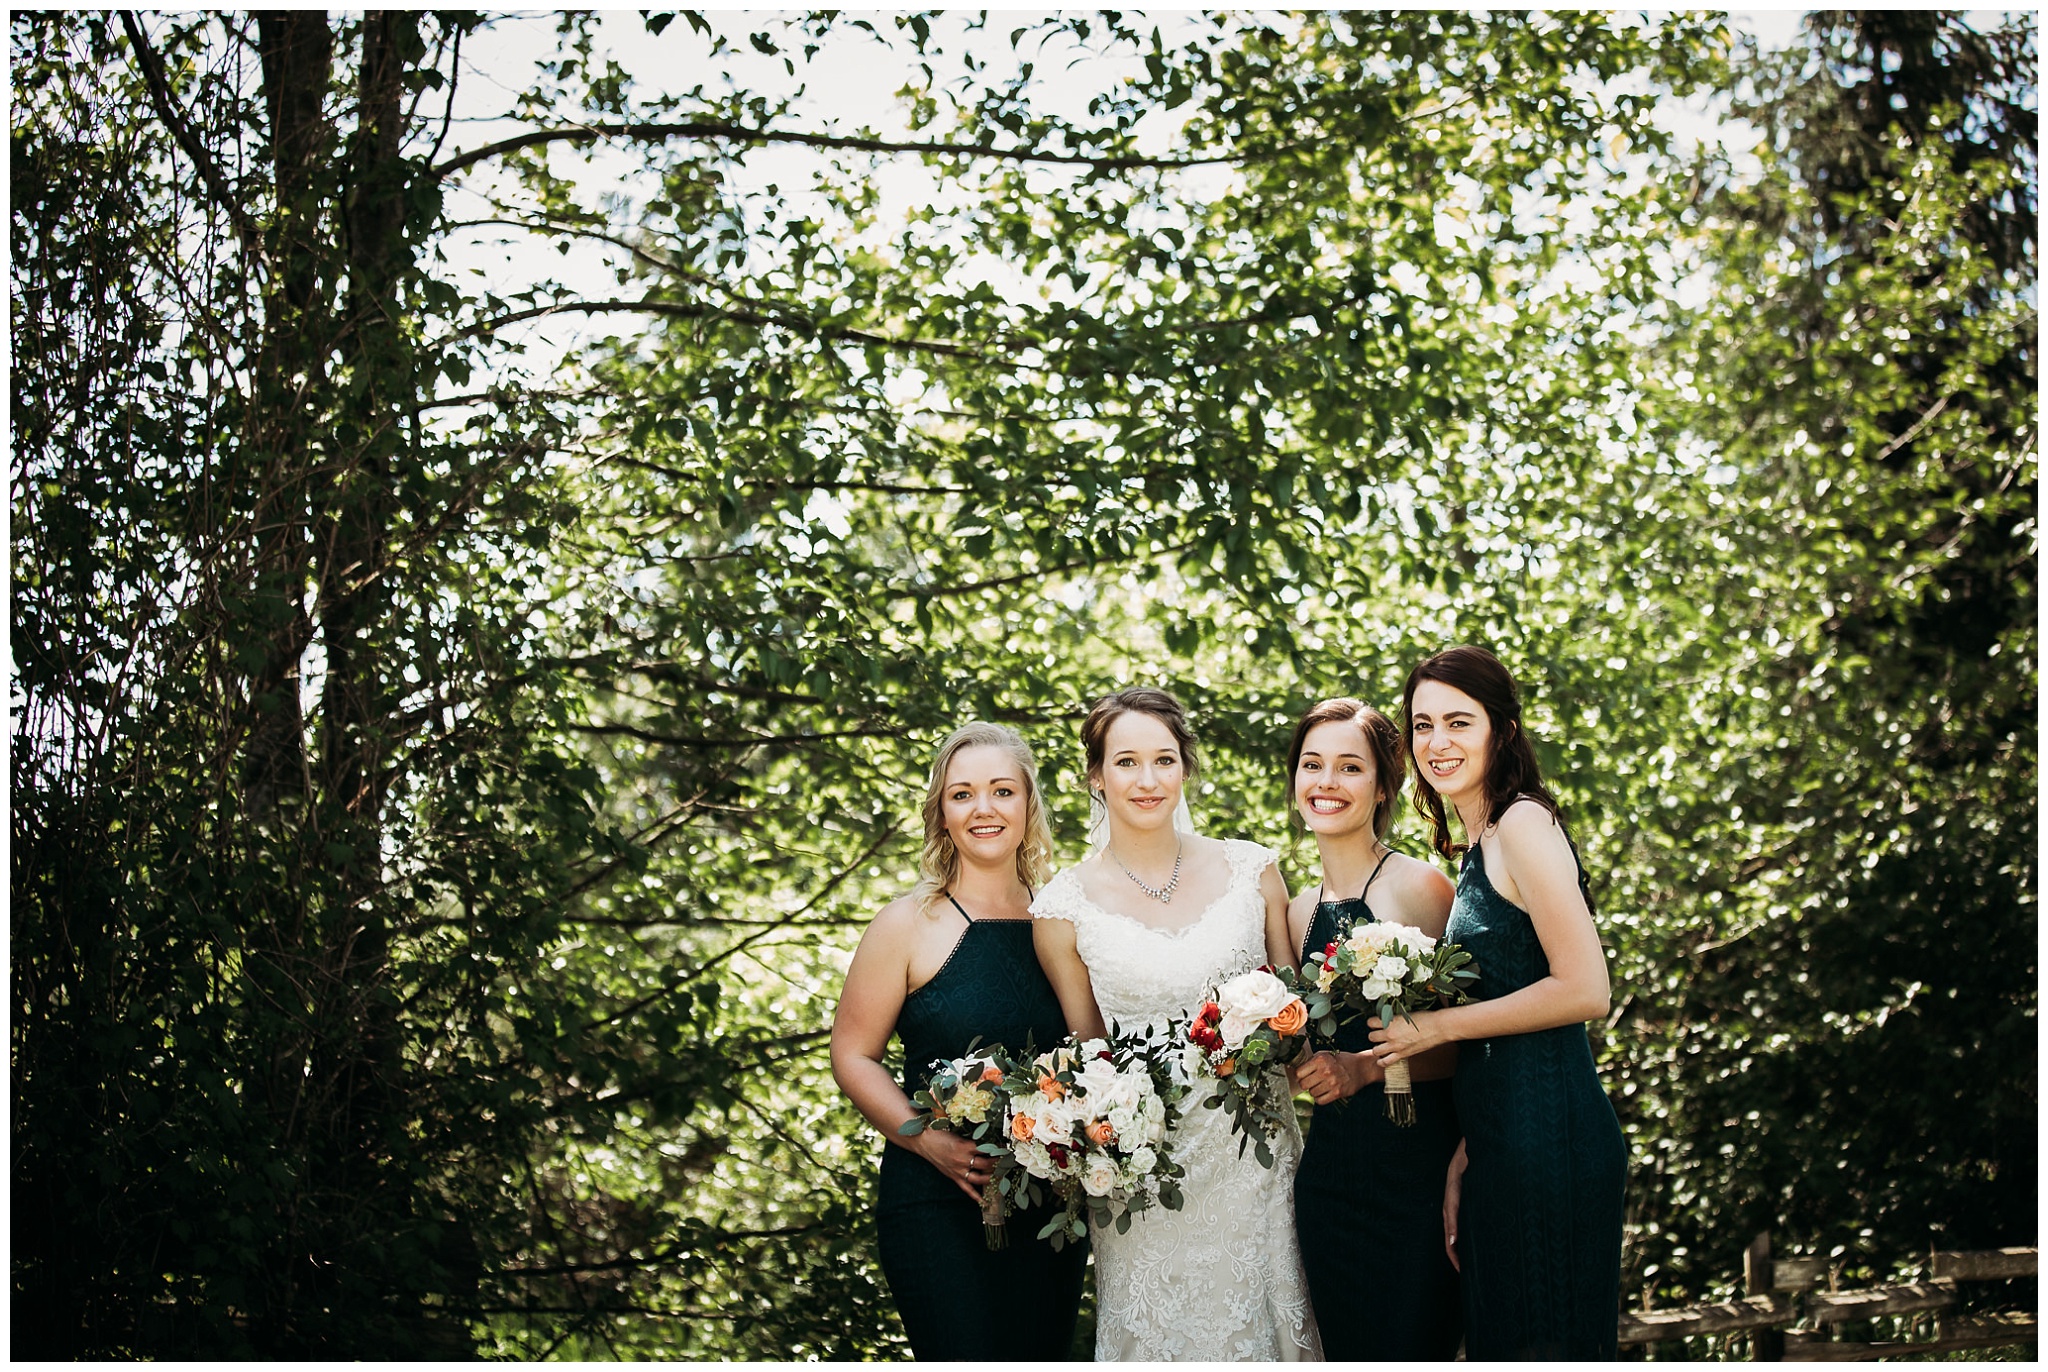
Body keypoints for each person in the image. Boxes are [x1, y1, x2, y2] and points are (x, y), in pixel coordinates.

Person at [1031, 687, 1321, 1361]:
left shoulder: (1253, 869)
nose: (1148, 779)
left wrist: (1277, 1035)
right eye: (1126, 762)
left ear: (1185, 768)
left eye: (1164, 759)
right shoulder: (1061, 906)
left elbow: (1297, 1013)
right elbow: (1087, 1050)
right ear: (1096, 776)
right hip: (1143, 1172)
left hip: (1256, 1152)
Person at [1370, 646, 1627, 1359]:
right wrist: (1467, 1151)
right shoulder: (1477, 842)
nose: (1437, 743)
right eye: (1423, 726)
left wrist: (1435, 1027)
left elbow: (1585, 989)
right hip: (1500, 1143)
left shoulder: (1523, 824)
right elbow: (1512, 1005)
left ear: (1503, 731)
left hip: (1553, 1145)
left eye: (1459, 721)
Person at [830, 722, 1086, 1360]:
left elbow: (1094, 1047)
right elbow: (853, 1054)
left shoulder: (1068, 916)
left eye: (1002, 791)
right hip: (934, 1200)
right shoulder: (907, 924)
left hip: (1051, 1205)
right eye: (963, 794)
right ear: (941, 814)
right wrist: (926, 1140)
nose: (984, 809)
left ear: (1028, 805)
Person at [1283, 697, 1463, 1359]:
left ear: (1383, 785)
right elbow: (1299, 1041)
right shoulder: (1298, 910)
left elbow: (1465, 1040)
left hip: (1415, 1166)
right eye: (1313, 765)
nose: (1327, 782)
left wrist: (1366, 1068)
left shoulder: (1421, 887)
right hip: (1331, 1172)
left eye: (1349, 767)